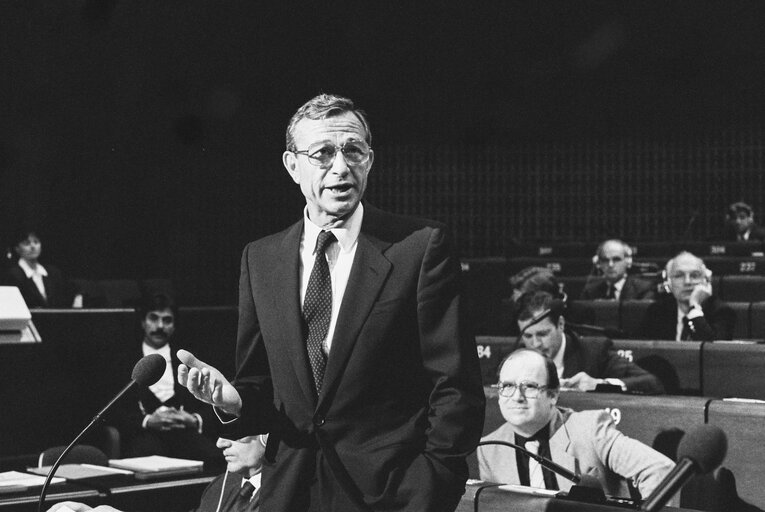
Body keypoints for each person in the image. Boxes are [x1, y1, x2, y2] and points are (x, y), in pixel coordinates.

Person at [176, 94, 485, 512]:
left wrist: (433, 486)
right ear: (292, 165)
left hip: (393, 496)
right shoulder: (260, 259)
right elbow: (261, 386)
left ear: (369, 160)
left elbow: (455, 386)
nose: (341, 167)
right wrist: (231, 402)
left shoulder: (419, 247)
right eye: (322, 153)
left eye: (353, 150)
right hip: (289, 493)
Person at [477, 349, 674, 498]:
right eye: (508, 386)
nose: (517, 397)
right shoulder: (490, 448)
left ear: (553, 395)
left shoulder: (590, 429)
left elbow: (661, 471)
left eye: (529, 386)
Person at [108, 293, 223, 467]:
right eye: (153, 318)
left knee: (214, 458)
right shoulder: (123, 359)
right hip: (144, 434)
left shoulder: (189, 357)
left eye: (167, 320)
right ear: (142, 322)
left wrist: (194, 419)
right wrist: (147, 421)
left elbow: (213, 401)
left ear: (174, 326)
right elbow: (114, 411)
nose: (160, 326)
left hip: (185, 432)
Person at [48, 434, 268, 512]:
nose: (220, 443)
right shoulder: (223, 484)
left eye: (235, 434)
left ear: (267, 435)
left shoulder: (287, 495)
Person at [516, 291, 664, 394]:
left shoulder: (594, 352)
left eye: (542, 334)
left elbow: (652, 382)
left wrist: (599, 384)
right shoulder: (515, 358)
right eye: (528, 336)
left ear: (560, 325)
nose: (535, 344)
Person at [635, 252, 735, 341]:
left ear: (705, 281)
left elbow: (713, 353)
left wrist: (694, 308)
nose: (687, 282)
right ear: (669, 283)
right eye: (679, 276)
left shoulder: (722, 312)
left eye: (694, 275)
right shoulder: (657, 311)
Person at [506, 266, 595, 335]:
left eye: (520, 296)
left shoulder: (580, 314)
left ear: (540, 298)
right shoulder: (516, 315)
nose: (514, 298)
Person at [2, 229, 74, 308]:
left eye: (36, 242)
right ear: (17, 249)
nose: (33, 246)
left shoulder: (53, 272)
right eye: (27, 243)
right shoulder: (12, 275)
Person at [580, 239, 656, 301]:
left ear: (628, 262)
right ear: (599, 264)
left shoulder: (644, 289)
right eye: (605, 260)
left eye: (616, 259)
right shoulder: (590, 291)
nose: (610, 265)